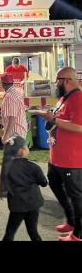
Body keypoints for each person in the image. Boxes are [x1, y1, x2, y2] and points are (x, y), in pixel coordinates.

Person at [39, 67, 82, 241]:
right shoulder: (64, 99)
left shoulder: (78, 99)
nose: (55, 84)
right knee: (56, 186)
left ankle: (78, 234)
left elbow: (79, 127)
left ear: (67, 80)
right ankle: (71, 222)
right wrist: (51, 117)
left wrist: (54, 119)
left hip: (72, 159)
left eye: (57, 80)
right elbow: (59, 120)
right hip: (57, 157)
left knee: (76, 196)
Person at [2, 135, 48, 241]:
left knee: (10, 232)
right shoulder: (33, 167)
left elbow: (5, 186)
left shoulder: (7, 167)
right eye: (26, 147)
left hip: (17, 206)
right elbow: (43, 183)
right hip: (33, 204)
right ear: (22, 151)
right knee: (33, 231)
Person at [0, 73, 27, 198]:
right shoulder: (16, 93)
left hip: (14, 135)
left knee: (8, 163)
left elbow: (12, 119)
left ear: (2, 84)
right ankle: (20, 188)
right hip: (20, 132)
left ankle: (6, 191)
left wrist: (5, 136)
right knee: (18, 162)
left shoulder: (9, 96)